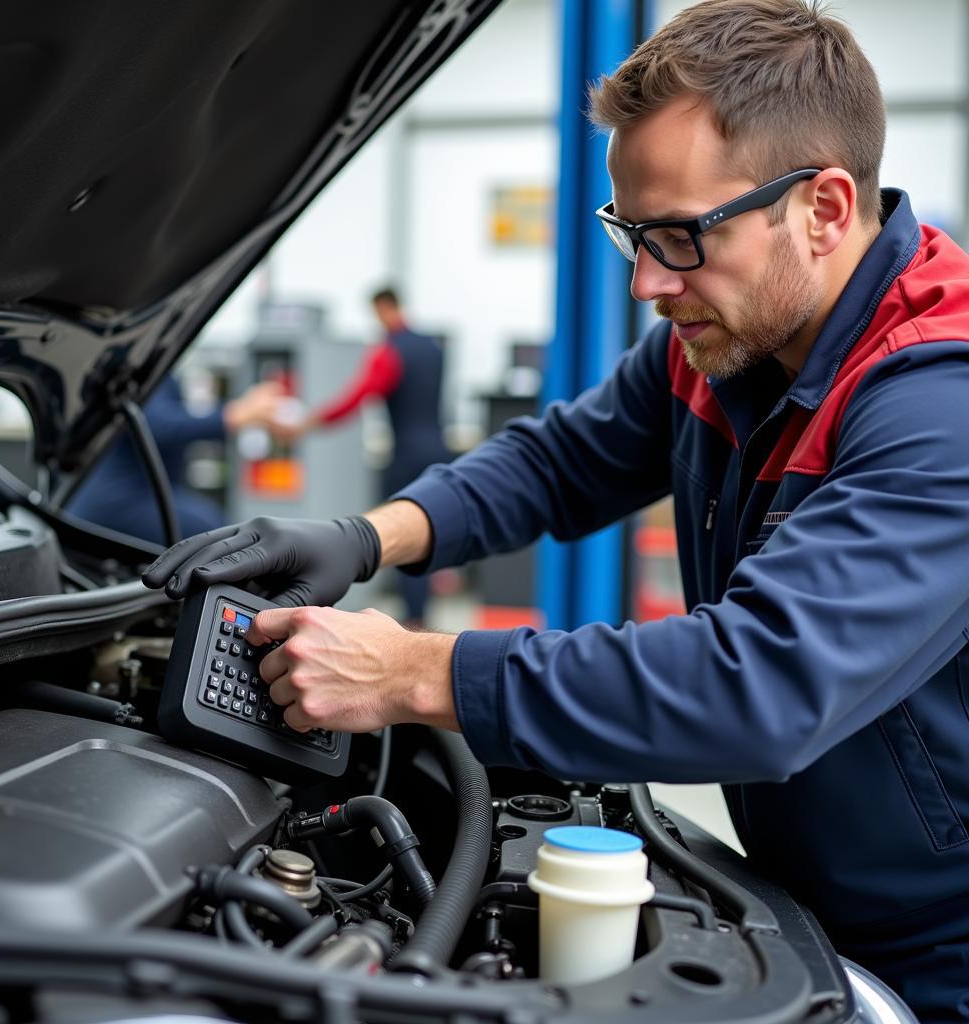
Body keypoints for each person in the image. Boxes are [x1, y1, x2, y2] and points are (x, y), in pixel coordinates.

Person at [144, 2, 969, 1017]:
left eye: (678, 237)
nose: (646, 283)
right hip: (808, 893)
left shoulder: (939, 405)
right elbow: (557, 461)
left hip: (944, 944)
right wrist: (363, 537)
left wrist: (411, 669)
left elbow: (757, 683)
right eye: (630, 233)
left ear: (825, 209)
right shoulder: (724, 339)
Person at [273, 287, 450, 626]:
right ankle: (421, 612)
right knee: (432, 528)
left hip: (406, 453)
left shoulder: (389, 351)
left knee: (404, 529)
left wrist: (310, 422)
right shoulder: (432, 347)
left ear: (384, 307)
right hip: (436, 449)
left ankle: (414, 619)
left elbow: (359, 396)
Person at [68, 374, 283, 544]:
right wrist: (234, 414)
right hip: (121, 498)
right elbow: (160, 426)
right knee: (218, 533)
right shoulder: (147, 367)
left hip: (131, 496)